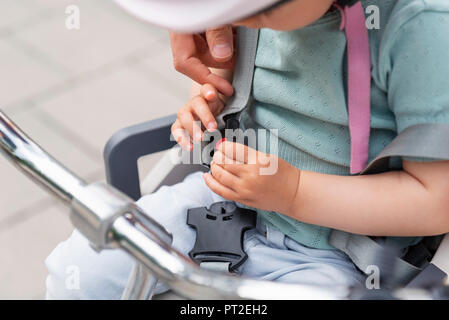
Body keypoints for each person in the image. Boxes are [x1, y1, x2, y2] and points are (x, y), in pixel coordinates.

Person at [45, 0, 449, 299]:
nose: (233, 20)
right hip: (221, 200)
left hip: (338, 250)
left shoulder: (421, 29)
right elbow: (230, 66)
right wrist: (207, 96)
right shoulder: (256, 10)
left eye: (254, 12)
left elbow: (436, 201)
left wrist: (294, 193)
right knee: (78, 272)